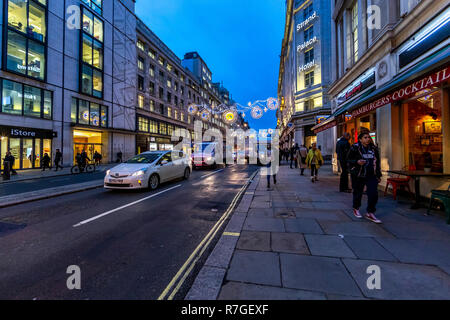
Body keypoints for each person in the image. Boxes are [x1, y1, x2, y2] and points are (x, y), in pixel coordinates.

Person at [347, 132, 383, 224]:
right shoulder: (355, 147)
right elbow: (348, 159)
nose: (368, 139)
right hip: (359, 174)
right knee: (358, 192)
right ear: (360, 139)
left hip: (371, 174)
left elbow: (377, 162)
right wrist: (357, 162)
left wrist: (378, 175)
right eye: (365, 137)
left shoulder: (373, 148)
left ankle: (370, 212)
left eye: (368, 137)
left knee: (373, 193)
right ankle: (356, 208)